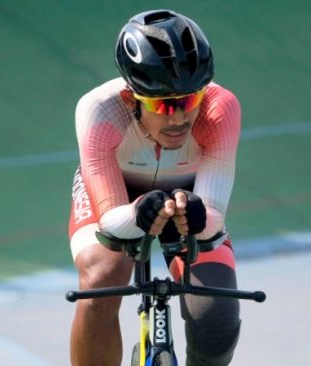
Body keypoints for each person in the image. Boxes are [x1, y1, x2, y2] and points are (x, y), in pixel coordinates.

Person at [67, 9, 242, 366]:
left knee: (217, 321)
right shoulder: (99, 111)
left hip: (189, 197)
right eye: (163, 104)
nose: (178, 117)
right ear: (132, 99)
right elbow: (111, 222)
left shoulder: (220, 109)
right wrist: (137, 212)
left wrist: (197, 214)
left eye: (189, 100)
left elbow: (213, 219)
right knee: (101, 281)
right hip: (118, 196)